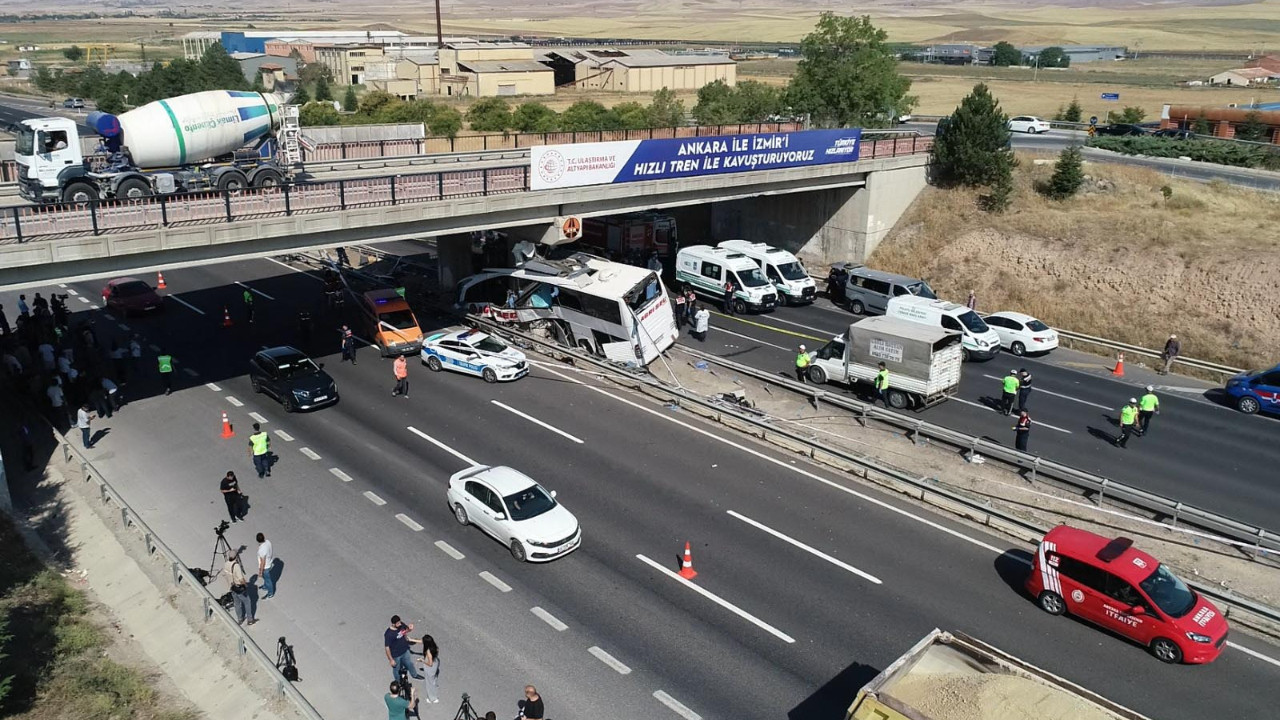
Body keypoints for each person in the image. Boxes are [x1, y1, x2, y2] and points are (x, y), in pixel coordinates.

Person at [220, 550, 256, 625]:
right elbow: (241, 579)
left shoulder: (226, 564)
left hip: (232, 587)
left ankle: (240, 619)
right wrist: (246, 585)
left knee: (237, 603)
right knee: (247, 602)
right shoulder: (236, 566)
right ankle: (250, 620)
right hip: (239, 587)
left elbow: (225, 575)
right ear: (236, 557)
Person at [385, 616, 424, 681]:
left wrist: (410, 629)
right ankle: (398, 682)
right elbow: (387, 648)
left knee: (409, 664)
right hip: (396, 655)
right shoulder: (388, 634)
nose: (400, 624)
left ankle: (414, 675)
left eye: (400, 622)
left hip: (405, 651)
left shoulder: (401, 625)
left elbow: (405, 631)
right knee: (396, 669)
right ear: (393, 624)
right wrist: (391, 660)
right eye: (398, 623)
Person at [418, 634, 440, 704]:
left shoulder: (428, 651)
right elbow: (421, 641)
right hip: (435, 664)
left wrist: (422, 661)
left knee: (429, 683)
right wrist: (411, 639)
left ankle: (432, 698)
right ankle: (434, 688)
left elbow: (430, 664)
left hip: (430, 668)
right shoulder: (435, 647)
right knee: (433, 679)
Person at [256, 532, 275, 599]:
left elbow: (262, 562)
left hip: (265, 567)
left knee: (267, 580)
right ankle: (265, 586)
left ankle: (270, 593)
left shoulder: (262, 550)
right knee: (266, 578)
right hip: (269, 562)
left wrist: (260, 572)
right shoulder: (268, 542)